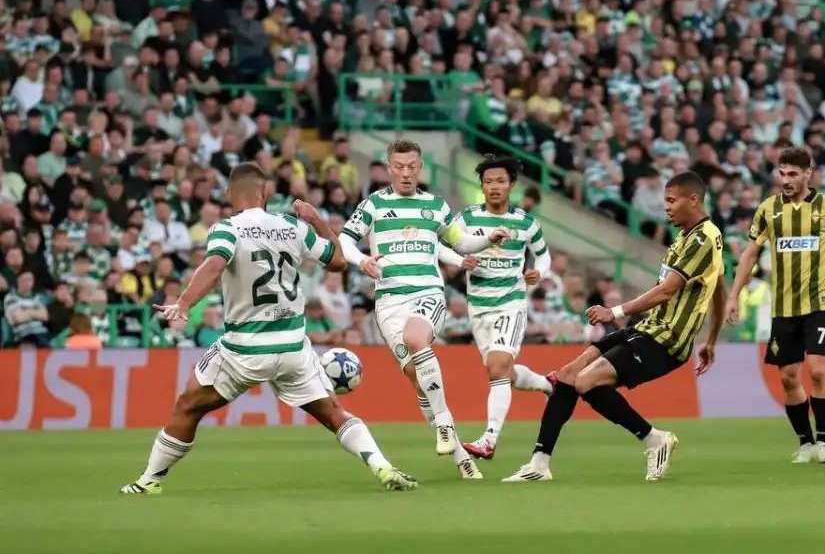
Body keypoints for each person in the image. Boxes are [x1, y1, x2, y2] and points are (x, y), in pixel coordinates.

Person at [120, 163, 417, 495]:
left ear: (233, 193)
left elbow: (214, 264)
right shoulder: (291, 226)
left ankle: (149, 481)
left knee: (188, 406)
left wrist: (186, 302)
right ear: (264, 192)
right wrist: (317, 219)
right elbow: (336, 261)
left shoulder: (227, 228)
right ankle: (383, 467)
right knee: (334, 413)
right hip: (293, 347)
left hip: (245, 348)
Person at [503, 171, 725, 483]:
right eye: (665, 201)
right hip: (647, 329)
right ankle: (539, 463)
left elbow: (667, 290)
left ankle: (653, 439)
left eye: (672, 201)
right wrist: (712, 340)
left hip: (666, 340)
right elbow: (718, 284)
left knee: (588, 382)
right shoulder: (686, 237)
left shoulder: (704, 238)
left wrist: (615, 311)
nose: (667, 208)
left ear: (693, 200)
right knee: (568, 376)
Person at [338, 139, 508, 479]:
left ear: (420, 167)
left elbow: (459, 240)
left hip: (427, 292)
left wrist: (488, 238)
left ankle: (444, 424)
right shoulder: (373, 205)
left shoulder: (436, 206)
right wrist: (362, 260)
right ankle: (461, 457)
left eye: (411, 166)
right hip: (388, 304)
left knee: (418, 340)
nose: (405, 172)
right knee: (419, 382)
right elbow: (344, 239)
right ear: (389, 168)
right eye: (398, 167)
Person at [726, 147, 825, 465]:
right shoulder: (768, 210)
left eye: (792, 174)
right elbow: (749, 254)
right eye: (782, 173)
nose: (786, 180)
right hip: (783, 307)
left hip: (819, 301)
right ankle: (805, 442)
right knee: (789, 377)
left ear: (808, 173)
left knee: (817, 370)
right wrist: (734, 294)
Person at [437, 155, 554, 460]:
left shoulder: (526, 223)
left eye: (500, 181)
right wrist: (460, 260)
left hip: (511, 304)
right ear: (482, 186)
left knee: (498, 367)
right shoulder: (467, 219)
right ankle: (548, 384)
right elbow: (444, 244)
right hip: (478, 307)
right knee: (503, 371)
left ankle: (489, 440)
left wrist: (538, 272)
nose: (494, 187)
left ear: (511, 185)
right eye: (488, 182)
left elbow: (543, 256)